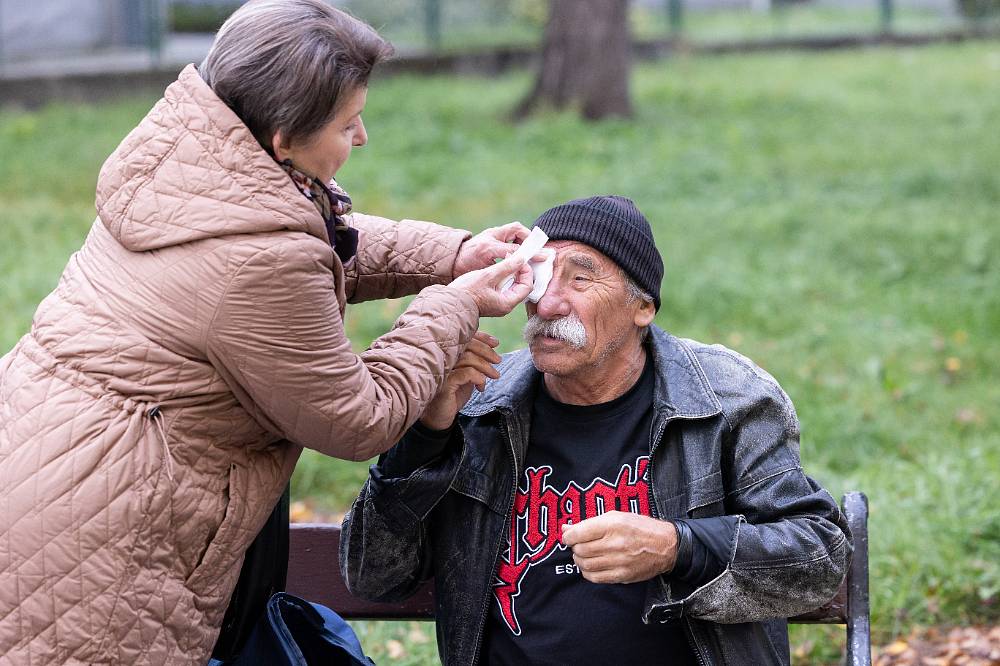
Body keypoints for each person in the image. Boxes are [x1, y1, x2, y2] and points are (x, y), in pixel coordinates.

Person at [0, 1, 535, 663]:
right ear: (284, 139)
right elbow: (355, 417)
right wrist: (455, 306)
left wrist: (451, 254)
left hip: (44, 461)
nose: (361, 136)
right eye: (347, 122)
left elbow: (309, 242)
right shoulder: (260, 259)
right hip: (103, 549)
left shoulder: (192, 164)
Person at [340, 195, 852, 665]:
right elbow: (373, 575)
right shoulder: (478, 406)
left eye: (580, 280)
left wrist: (679, 547)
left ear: (643, 307)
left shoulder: (730, 401)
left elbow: (817, 558)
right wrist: (427, 434)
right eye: (540, 279)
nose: (548, 304)